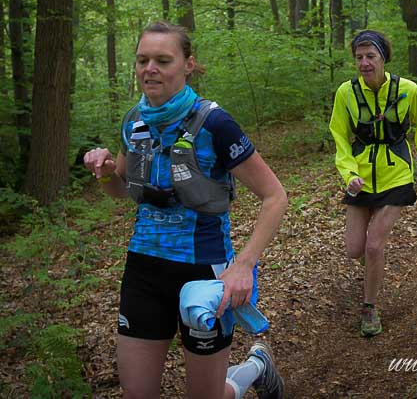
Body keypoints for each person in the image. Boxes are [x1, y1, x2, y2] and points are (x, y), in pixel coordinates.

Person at [83, 21, 288, 399]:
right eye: (142, 60)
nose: (150, 69)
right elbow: (121, 190)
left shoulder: (215, 124)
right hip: (144, 270)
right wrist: (107, 171)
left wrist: (243, 265)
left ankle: (256, 366)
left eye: (163, 60)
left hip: (204, 273)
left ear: (188, 64)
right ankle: (256, 366)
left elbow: (275, 196)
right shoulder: (134, 121)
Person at [329, 30, 417, 337]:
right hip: (361, 177)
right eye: (359, 57)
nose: (364, 63)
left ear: (383, 58)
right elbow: (340, 136)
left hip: (397, 175)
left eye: (371, 56)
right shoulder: (346, 93)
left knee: (374, 245)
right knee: (354, 249)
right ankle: (373, 267)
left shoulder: (408, 90)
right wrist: (349, 175)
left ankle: (369, 308)